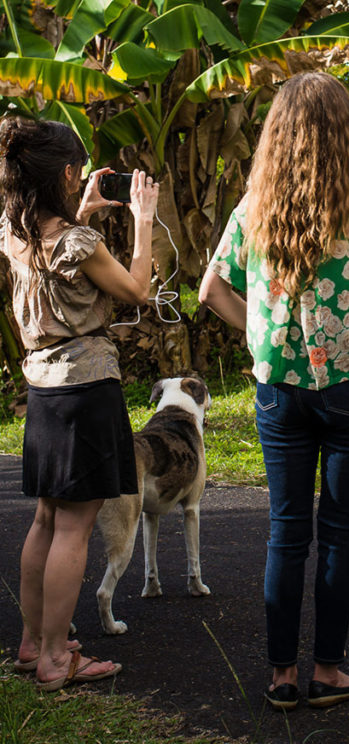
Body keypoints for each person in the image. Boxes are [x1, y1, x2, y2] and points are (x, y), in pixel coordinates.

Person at [199, 72, 349, 711]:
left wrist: (258, 333)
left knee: (285, 532)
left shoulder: (253, 208)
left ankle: (279, 677)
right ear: (347, 134)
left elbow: (212, 290)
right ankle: (327, 671)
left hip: (277, 391)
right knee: (340, 530)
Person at [0, 116, 159, 690]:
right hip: (86, 388)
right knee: (75, 527)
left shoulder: (13, 231)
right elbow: (136, 288)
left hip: (42, 390)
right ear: (68, 174)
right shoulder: (79, 243)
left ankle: (31, 645)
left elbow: (54, 254)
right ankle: (53, 659)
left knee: (46, 518)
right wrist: (142, 222)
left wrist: (82, 210)